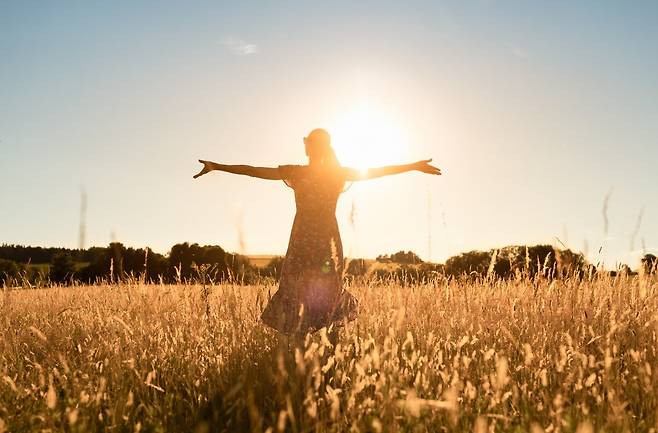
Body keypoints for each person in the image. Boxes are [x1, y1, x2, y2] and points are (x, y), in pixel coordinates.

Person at [193, 128, 440, 338]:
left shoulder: (310, 173)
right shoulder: (313, 173)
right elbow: (252, 170)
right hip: (315, 237)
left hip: (314, 238)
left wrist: (413, 166)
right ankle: (313, 349)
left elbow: (378, 171)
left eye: (307, 142)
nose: (305, 146)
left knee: (321, 287)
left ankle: (324, 349)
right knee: (304, 287)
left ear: (313, 147)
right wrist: (217, 166)